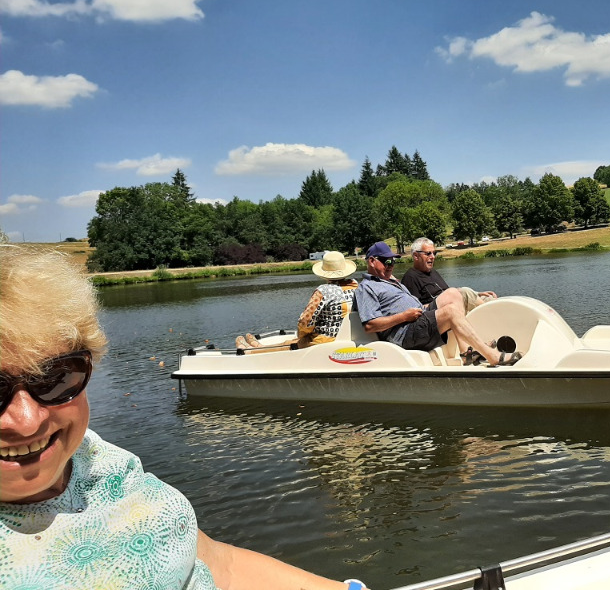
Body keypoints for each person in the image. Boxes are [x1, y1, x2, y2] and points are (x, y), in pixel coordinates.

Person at [0, 245, 368, 590]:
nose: (27, 420)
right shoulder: (354, 290)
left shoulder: (97, 458)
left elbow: (217, 562)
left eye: (56, 378)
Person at [354, 241, 521, 366]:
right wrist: (404, 316)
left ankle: (466, 352)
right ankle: (492, 356)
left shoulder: (391, 281)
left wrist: (426, 308)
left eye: (393, 261)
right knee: (450, 312)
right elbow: (370, 325)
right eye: (387, 262)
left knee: (453, 293)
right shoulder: (367, 287)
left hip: (418, 319)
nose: (391, 266)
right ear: (372, 261)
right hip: (405, 334)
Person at [401, 237, 496, 311]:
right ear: (416, 256)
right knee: (466, 292)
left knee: (488, 298)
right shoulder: (410, 278)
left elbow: (448, 291)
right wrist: (443, 301)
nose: (433, 257)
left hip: (455, 304)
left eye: (434, 253)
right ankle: (493, 316)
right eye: (428, 253)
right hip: (442, 313)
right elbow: (415, 309)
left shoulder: (433, 272)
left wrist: (476, 294)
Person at [295, 251, 358, 348]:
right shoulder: (357, 286)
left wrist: (301, 335)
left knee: (293, 343)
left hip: (326, 341)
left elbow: (306, 321)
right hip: (353, 337)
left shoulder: (323, 291)